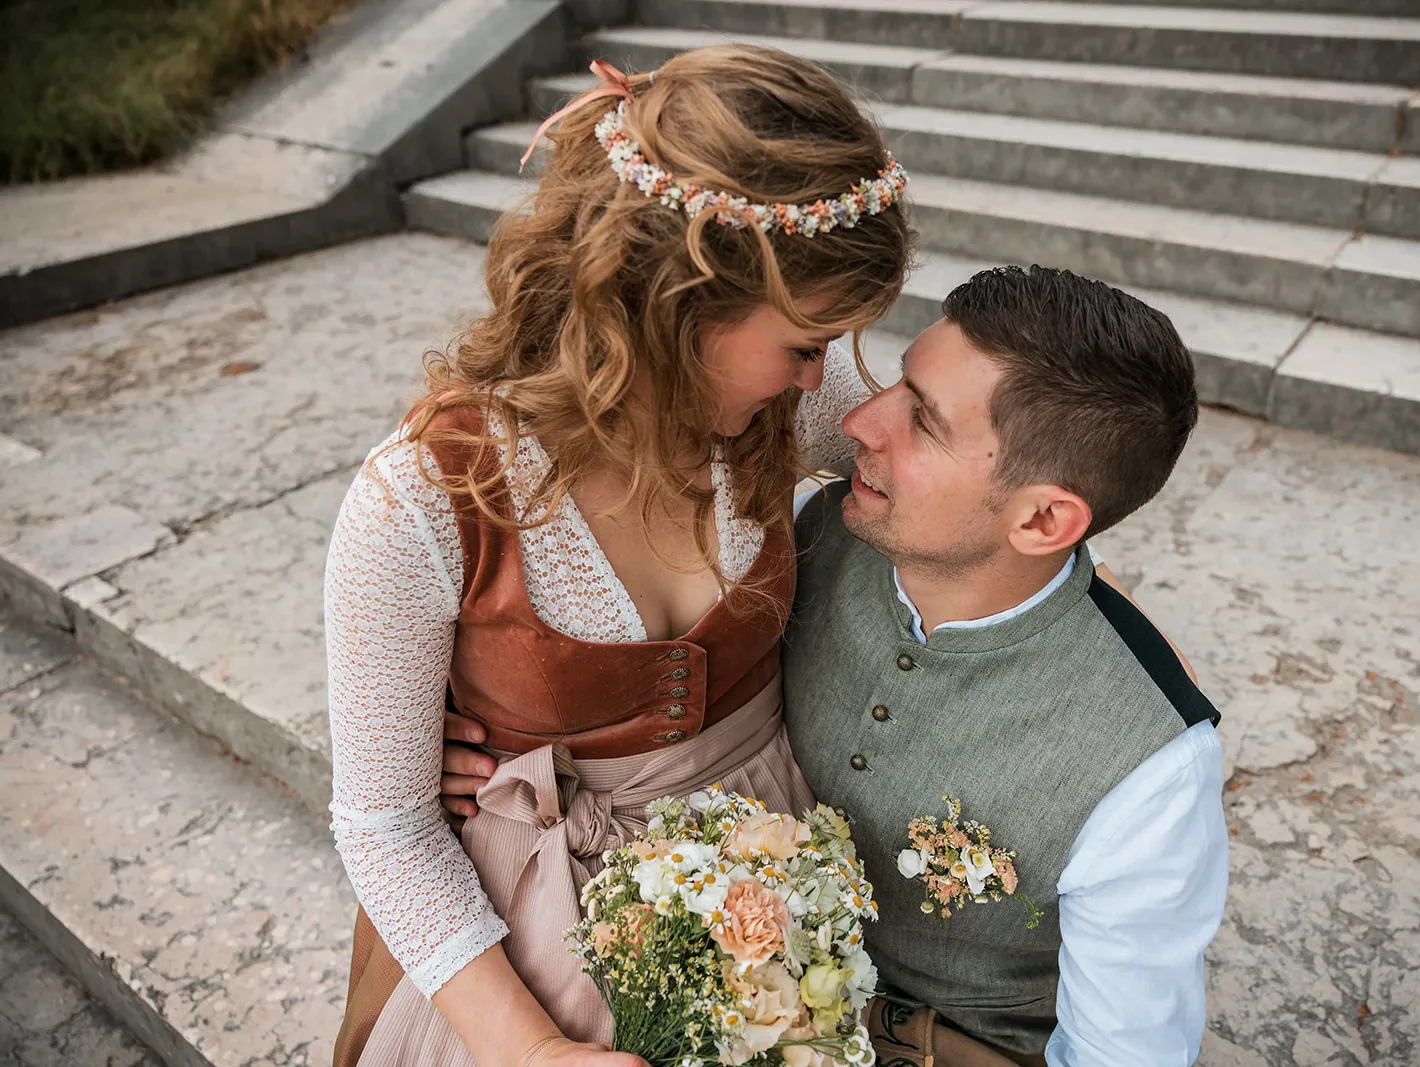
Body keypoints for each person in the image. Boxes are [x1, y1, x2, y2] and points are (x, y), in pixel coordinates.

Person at [442, 266, 1228, 1066]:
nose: (857, 419)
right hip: (742, 996)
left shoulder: (1149, 771)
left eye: (922, 421)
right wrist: (483, 714)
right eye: (897, 382)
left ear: (1045, 518)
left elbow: (1121, 1055)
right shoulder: (813, 535)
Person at [323, 44, 913, 1067]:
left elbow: (958, 496)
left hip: (784, 905)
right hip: (526, 944)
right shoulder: (419, 496)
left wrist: (1076, 618)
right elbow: (384, 826)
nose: (827, 377)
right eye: (803, 341)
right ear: (675, 307)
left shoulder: (792, 402)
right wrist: (534, 1050)